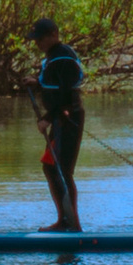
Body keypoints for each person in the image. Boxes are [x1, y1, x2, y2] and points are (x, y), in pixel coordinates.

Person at [29, 15, 85, 231]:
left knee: (63, 170)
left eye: (40, 39)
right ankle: (64, 221)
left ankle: (73, 225)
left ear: (54, 35)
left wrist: (46, 118)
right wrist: (36, 83)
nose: (38, 43)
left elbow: (64, 95)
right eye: (35, 40)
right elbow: (52, 84)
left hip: (68, 118)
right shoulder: (54, 56)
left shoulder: (63, 57)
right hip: (61, 119)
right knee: (50, 167)